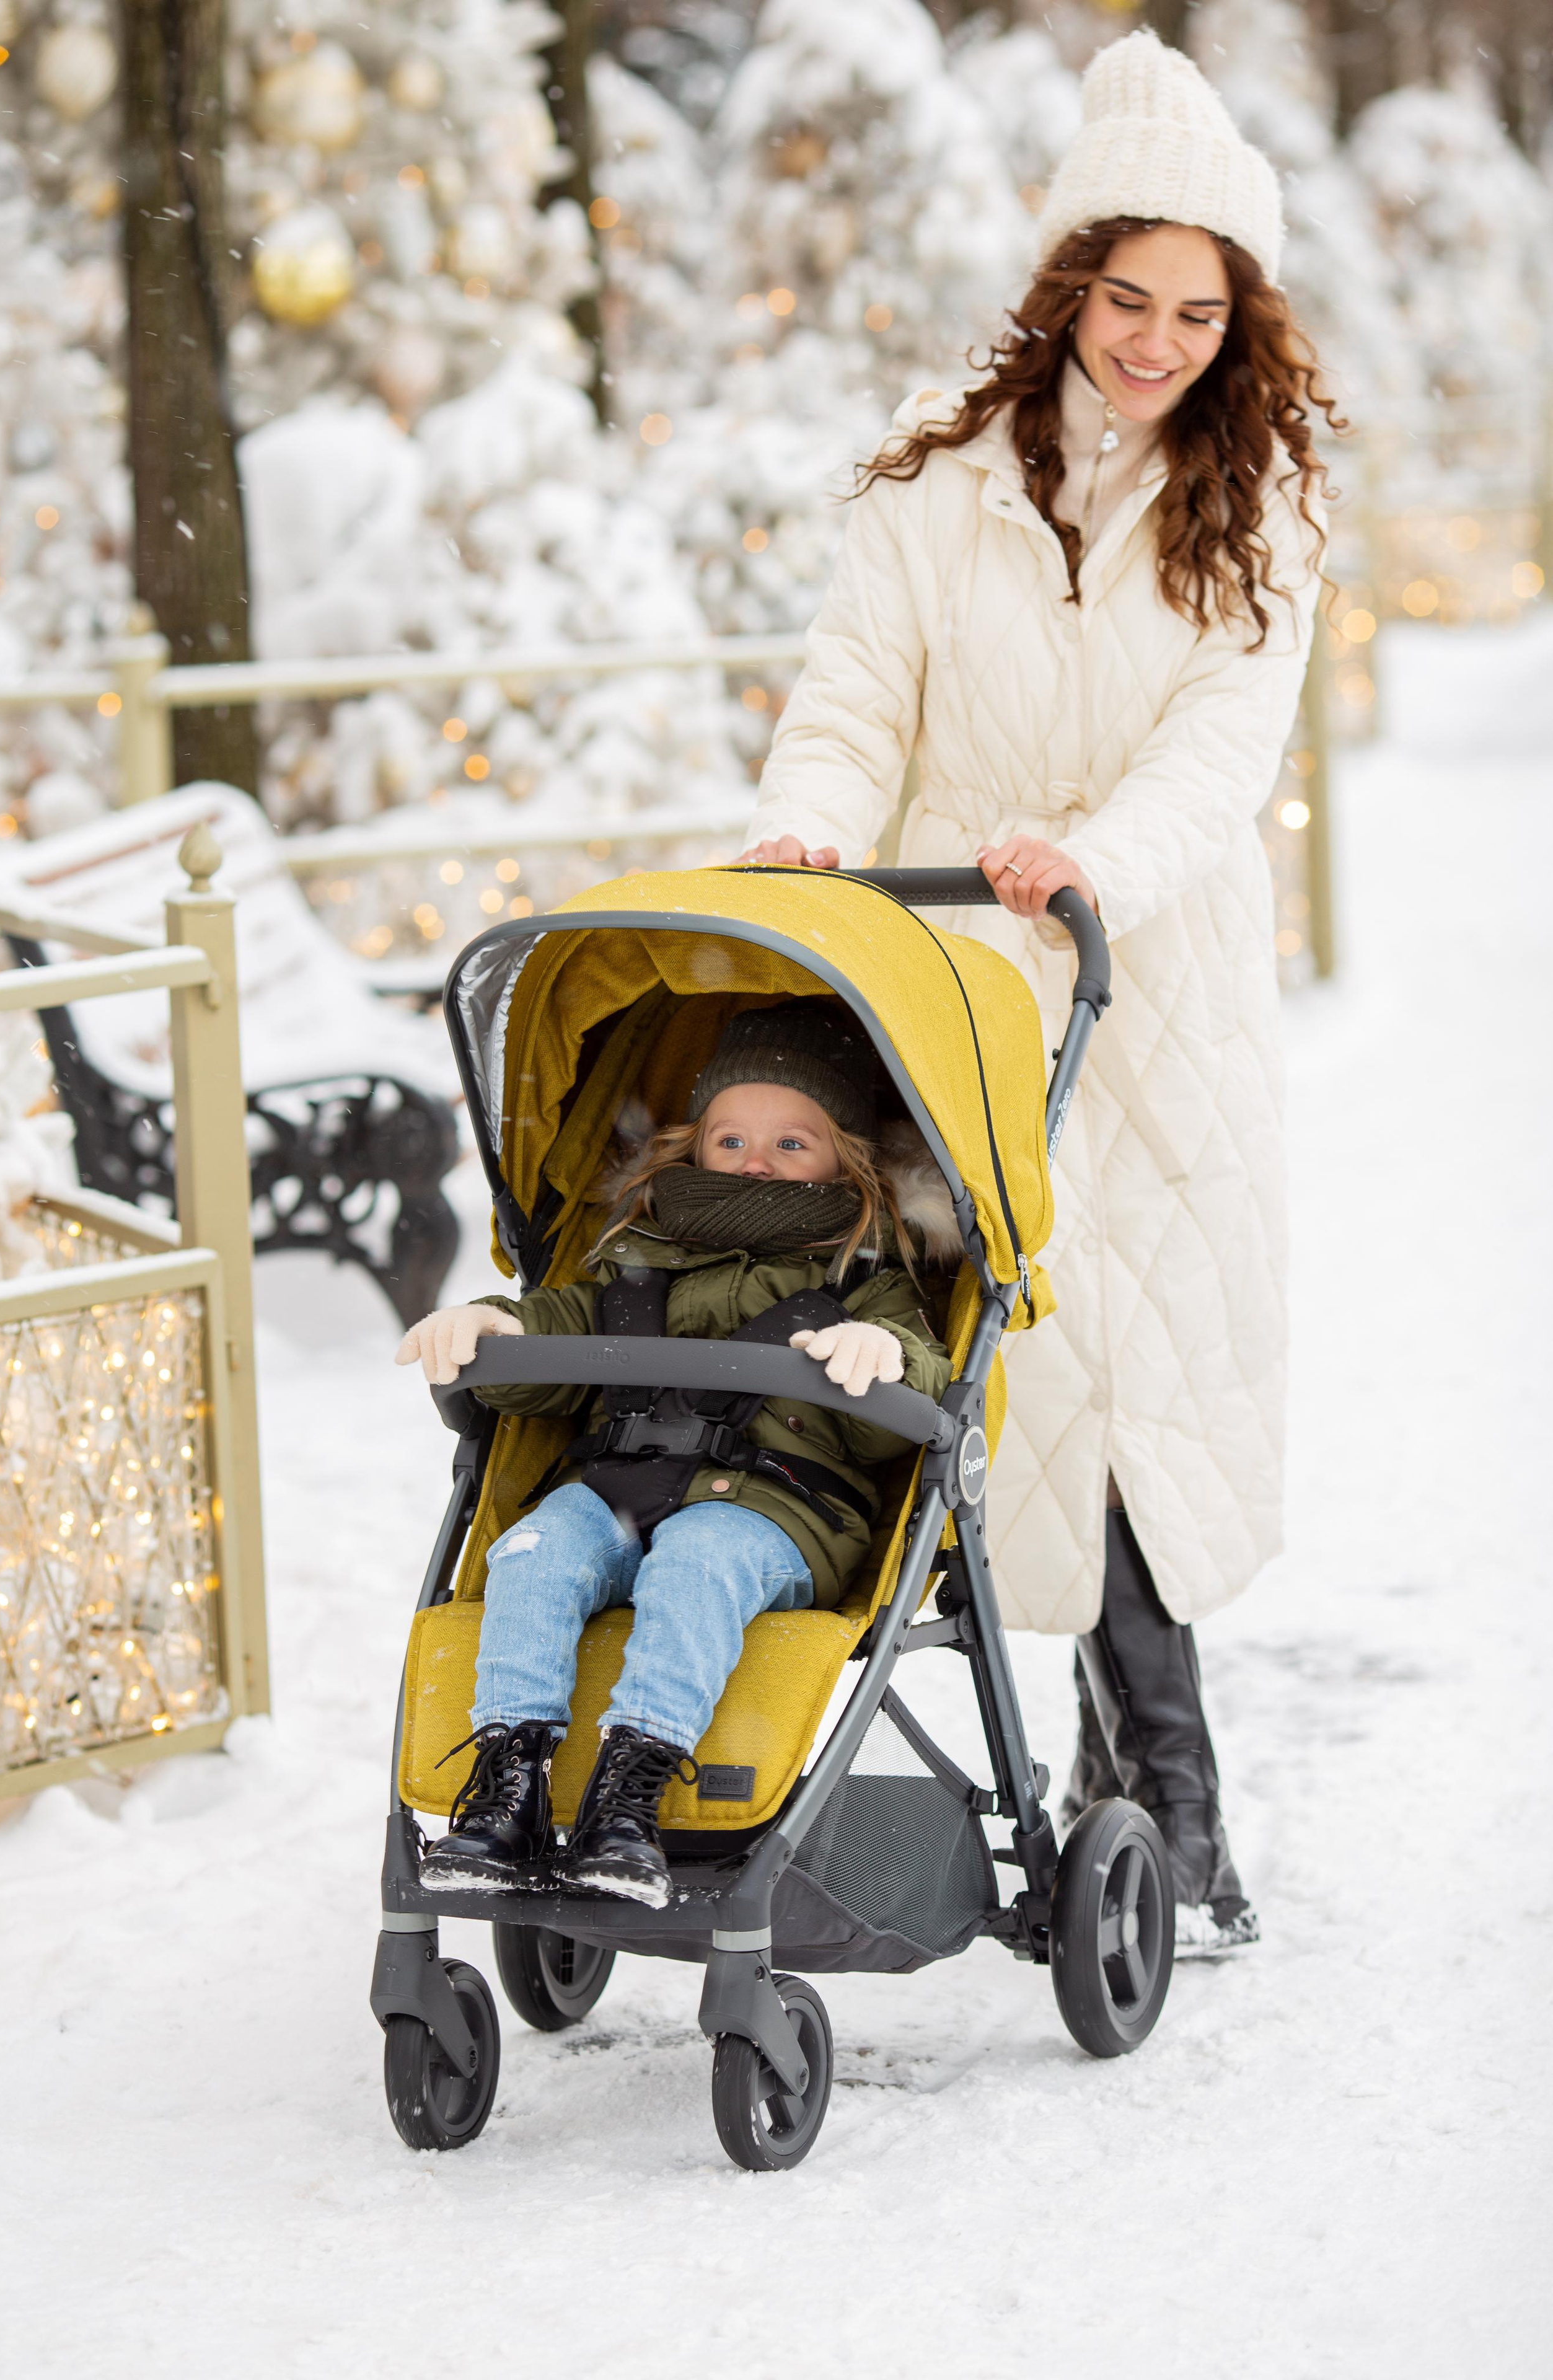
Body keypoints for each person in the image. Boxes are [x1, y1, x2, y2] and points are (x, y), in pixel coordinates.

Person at [740, 30, 1343, 1950]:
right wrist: (805, 835)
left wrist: (1097, 866)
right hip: (943, 992)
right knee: (985, 1382)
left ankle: (1170, 1802)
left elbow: (1217, 758)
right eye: (1128, 296)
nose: (1157, 340)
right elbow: (854, 702)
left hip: (1147, 999)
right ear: (1069, 279)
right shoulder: (935, 477)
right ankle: (1009, 1788)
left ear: (1235, 322)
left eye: (1198, 310)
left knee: (1134, 1389)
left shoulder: (1266, 513)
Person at [395, 1003, 952, 1909]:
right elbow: (559, 1332)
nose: (756, 1160)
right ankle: (509, 1788)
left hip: (776, 1506)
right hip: (619, 1484)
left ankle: (631, 1796)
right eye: (731, 1138)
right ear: (694, 1146)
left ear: (844, 1159)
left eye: (791, 1143)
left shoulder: (862, 1274)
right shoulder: (637, 1257)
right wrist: (495, 1326)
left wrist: (885, 1360)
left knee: (698, 1562)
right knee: (532, 1553)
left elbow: (916, 1398)